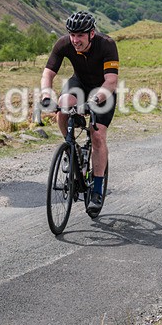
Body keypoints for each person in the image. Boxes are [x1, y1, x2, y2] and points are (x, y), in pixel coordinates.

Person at [40, 11, 119, 213]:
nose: (75, 40)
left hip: (102, 91)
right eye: (72, 35)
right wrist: (46, 95)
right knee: (63, 105)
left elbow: (110, 81)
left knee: (98, 135)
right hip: (79, 84)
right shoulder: (64, 44)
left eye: (80, 36)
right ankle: (70, 148)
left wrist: (93, 101)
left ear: (91, 33)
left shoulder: (107, 44)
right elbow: (48, 73)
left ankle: (98, 190)